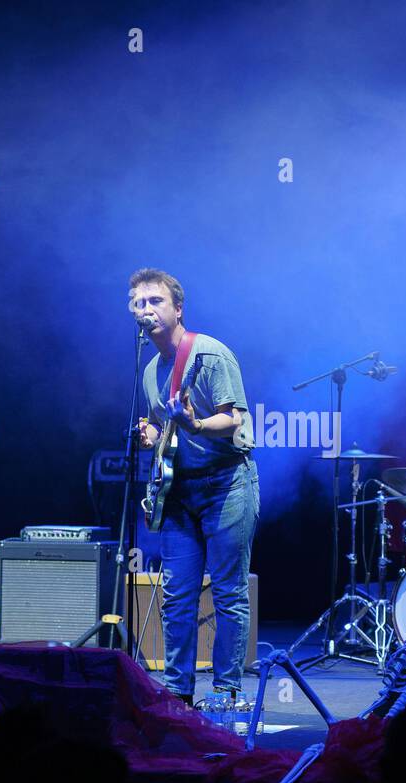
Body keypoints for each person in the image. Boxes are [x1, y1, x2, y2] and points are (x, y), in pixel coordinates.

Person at [133, 268, 258, 706]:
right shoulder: (150, 369)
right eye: (139, 303)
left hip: (226, 483)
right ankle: (178, 693)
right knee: (177, 595)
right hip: (180, 491)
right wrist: (152, 433)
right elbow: (161, 423)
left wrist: (196, 423)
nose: (146, 310)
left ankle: (226, 691)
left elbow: (234, 418)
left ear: (178, 308)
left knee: (228, 592)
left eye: (155, 301)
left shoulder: (208, 355)